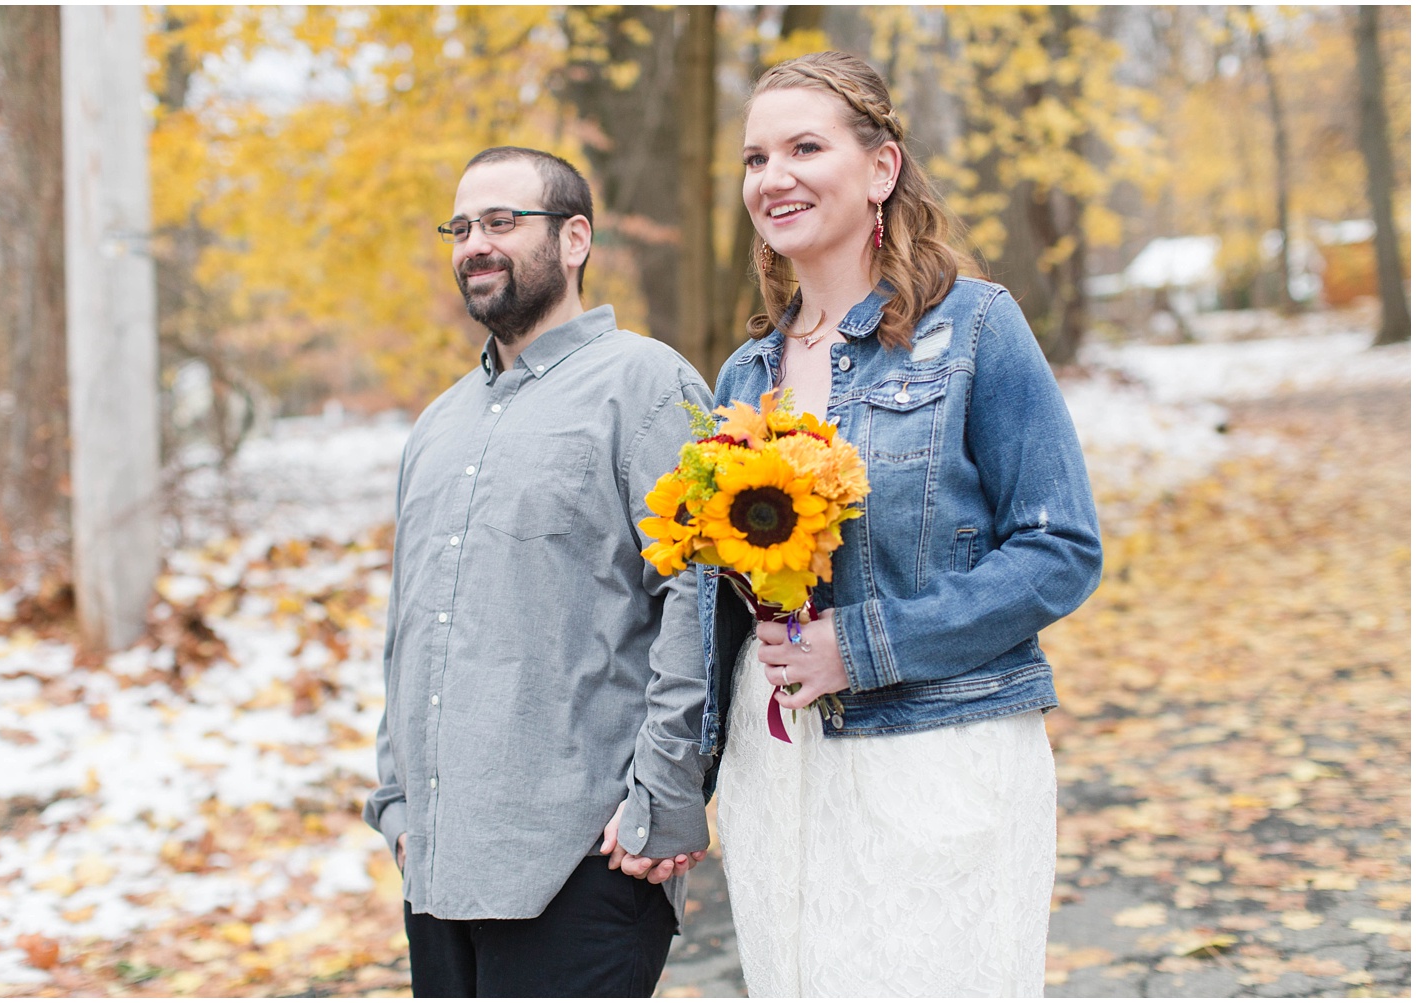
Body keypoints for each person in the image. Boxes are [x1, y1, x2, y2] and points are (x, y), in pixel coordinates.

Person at [695, 53, 1104, 997]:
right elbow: (716, 606)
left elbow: (1060, 549)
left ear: (881, 169)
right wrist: (680, 782)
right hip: (780, 771)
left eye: (805, 147)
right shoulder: (741, 376)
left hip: (936, 754)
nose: (774, 177)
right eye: (756, 158)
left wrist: (864, 646)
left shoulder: (976, 330)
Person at [363, 146, 713, 997]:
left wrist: (660, 797)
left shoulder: (650, 385)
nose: (475, 243)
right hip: (439, 864)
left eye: (503, 221)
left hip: (581, 863)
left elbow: (697, 601)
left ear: (575, 239)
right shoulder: (438, 425)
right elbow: (413, 627)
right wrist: (398, 802)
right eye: (463, 226)